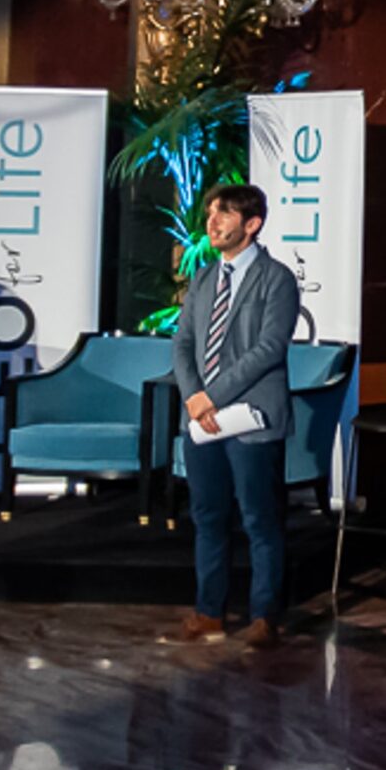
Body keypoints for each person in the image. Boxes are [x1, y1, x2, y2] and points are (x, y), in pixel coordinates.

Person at [164, 183, 300, 649]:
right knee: (208, 515)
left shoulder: (276, 279)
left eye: (224, 214)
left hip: (251, 417)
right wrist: (193, 396)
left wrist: (213, 396)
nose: (213, 222)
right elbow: (183, 342)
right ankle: (209, 612)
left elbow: (269, 348)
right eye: (210, 213)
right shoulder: (203, 278)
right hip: (202, 420)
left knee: (260, 518)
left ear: (252, 224)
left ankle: (264, 616)